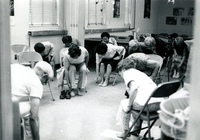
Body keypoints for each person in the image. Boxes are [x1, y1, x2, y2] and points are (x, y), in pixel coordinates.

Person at [115, 58, 163, 138]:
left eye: (120, 74)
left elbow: (134, 89)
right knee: (135, 101)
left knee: (124, 103)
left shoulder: (127, 73)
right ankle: (136, 129)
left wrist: (129, 106)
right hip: (159, 104)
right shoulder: (140, 73)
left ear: (122, 69)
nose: (122, 77)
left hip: (147, 105)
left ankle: (125, 132)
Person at [11, 61, 54, 140]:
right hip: (10, 108)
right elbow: (34, 118)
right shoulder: (36, 82)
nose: (44, 84)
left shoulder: (16, 66)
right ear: (44, 76)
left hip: (4, 101)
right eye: (46, 81)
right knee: (30, 113)